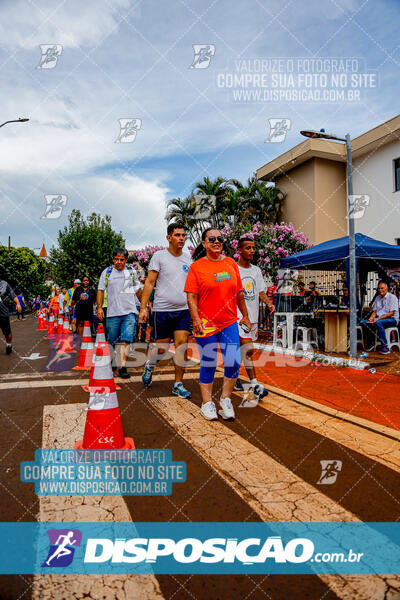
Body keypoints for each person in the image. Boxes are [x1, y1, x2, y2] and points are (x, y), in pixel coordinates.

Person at [184, 228, 251, 421]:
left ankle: (226, 400)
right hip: (206, 323)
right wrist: (196, 320)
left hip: (229, 321)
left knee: (234, 361)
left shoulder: (230, 263)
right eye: (211, 238)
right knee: (209, 362)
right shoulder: (197, 267)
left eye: (220, 238)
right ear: (204, 243)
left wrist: (245, 315)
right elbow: (191, 297)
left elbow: (239, 293)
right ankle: (207, 403)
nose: (216, 241)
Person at [139, 223, 192, 398]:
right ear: (169, 238)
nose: (181, 238)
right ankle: (150, 365)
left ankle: (178, 384)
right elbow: (149, 282)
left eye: (183, 235)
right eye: (177, 235)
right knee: (161, 349)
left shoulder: (187, 259)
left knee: (181, 346)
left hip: (183, 311)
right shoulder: (159, 256)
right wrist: (143, 307)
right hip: (162, 311)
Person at [234, 236, 275, 399]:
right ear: (239, 250)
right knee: (248, 349)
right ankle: (255, 385)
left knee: (240, 351)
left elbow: (260, 292)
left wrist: (268, 303)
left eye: (253, 248)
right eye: (248, 248)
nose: (252, 251)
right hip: (238, 316)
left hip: (253, 317)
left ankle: (233, 377)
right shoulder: (234, 269)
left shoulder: (256, 270)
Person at [97, 248, 141, 378]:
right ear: (113, 259)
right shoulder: (107, 272)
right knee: (112, 341)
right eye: (116, 259)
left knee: (126, 340)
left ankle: (123, 367)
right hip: (112, 313)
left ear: (126, 260)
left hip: (129, 312)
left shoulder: (132, 272)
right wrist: (99, 307)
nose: (119, 262)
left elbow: (138, 290)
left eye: (122, 260)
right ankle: (113, 360)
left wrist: (143, 307)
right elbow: (100, 290)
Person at [361, 281, 399, 354]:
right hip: (380, 319)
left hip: (392, 319)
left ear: (387, 289)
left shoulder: (392, 298)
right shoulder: (378, 298)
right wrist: (371, 318)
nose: (380, 290)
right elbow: (374, 312)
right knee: (364, 322)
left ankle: (385, 347)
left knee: (378, 322)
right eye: (379, 288)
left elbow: (391, 313)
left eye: (382, 288)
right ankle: (371, 343)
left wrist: (378, 319)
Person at [0, 279, 22, 353]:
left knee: (7, 332)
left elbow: (13, 295)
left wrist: (18, 304)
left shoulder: (4, 284)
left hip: (3, 312)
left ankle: (8, 345)